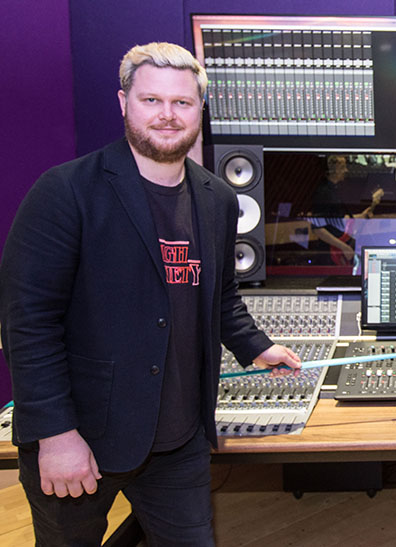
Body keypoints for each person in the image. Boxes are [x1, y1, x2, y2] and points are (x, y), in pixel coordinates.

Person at [0, 42, 302, 545]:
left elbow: (220, 295)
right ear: (123, 103)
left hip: (178, 440)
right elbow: (27, 323)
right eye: (151, 101)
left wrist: (257, 347)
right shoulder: (65, 192)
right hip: (82, 439)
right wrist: (55, 435)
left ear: (199, 110)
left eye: (182, 103)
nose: (167, 115)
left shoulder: (217, 199)